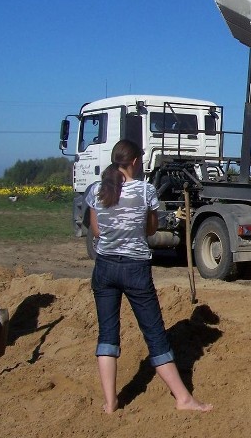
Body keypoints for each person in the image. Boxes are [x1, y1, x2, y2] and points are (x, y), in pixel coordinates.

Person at [86, 139, 212, 413]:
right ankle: (183, 398)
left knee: (107, 334)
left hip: (104, 266)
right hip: (135, 269)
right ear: (133, 162)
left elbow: (96, 230)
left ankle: (110, 403)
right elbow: (150, 230)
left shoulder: (96, 190)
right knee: (154, 334)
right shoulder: (145, 191)